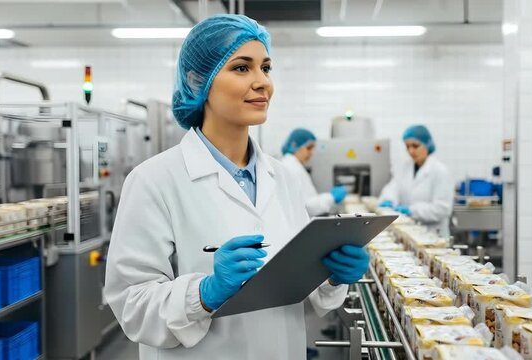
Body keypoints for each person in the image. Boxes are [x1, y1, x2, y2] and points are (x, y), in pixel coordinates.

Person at [104, 15, 369, 359]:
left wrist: (331, 276)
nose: (263, 83)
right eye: (242, 68)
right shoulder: (154, 180)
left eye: (266, 68)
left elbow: (303, 292)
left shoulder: (283, 178)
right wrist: (205, 292)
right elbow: (132, 305)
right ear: (198, 80)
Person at [378, 125, 454, 236]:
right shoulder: (405, 168)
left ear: (427, 145)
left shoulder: (440, 171)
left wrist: (412, 211)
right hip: (409, 232)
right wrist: (388, 200)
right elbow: (393, 188)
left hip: (433, 235)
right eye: (407, 147)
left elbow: (442, 209)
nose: (411, 151)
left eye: (415, 146)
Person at [280, 128, 348, 216]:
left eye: (313, 148)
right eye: (309, 148)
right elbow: (307, 206)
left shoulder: (294, 164)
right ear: (294, 145)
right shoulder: (290, 167)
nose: (311, 153)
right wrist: (331, 197)